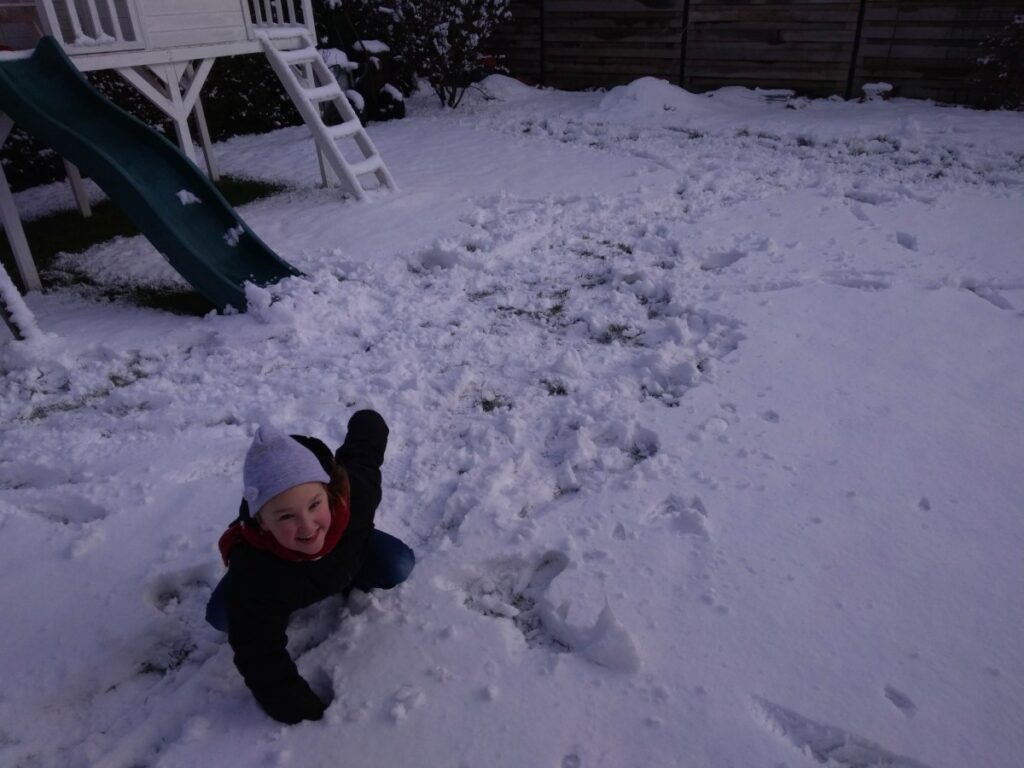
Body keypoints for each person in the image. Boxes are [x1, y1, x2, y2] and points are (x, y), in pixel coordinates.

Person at [205, 409, 415, 724]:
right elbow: (259, 656)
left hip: (349, 560)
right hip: (282, 585)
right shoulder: (255, 565)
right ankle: (263, 607)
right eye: (286, 516)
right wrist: (298, 709)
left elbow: (364, 454)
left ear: (329, 492)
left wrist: (368, 421)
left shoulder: (355, 495)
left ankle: (348, 578)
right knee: (226, 617)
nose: (307, 526)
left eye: (314, 505)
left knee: (398, 563)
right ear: (262, 521)